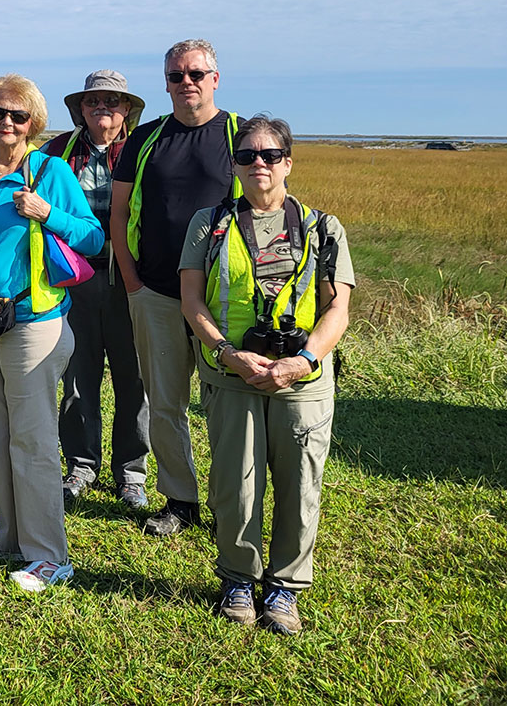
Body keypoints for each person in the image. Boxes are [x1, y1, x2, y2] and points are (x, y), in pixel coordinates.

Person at [180, 116, 354, 634]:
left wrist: (303, 361)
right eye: (248, 155)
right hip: (232, 372)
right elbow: (192, 300)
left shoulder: (325, 228)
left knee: (300, 483)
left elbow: (337, 309)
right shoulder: (207, 224)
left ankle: (284, 587)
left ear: (288, 162)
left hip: (302, 378)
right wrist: (227, 352)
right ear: (234, 164)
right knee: (235, 482)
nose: (260, 163)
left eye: (271, 155)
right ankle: (237, 577)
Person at [0, 74, 103, 591]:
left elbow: (94, 238)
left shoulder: (48, 171)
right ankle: (6, 537)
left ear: (34, 123)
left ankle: (49, 554)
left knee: (32, 437)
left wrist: (48, 213)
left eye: (18, 115)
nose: (6, 122)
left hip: (34, 323)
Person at [111, 39, 240, 537]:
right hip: (157, 294)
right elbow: (119, 214)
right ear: (165, 82)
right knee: (165, 403)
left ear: (215, 77)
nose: (186, 83)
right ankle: (180, 500)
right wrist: (132, 282)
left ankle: (229, 504)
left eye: (195, 73)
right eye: (175, 76)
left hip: (226, 300)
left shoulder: (240, 135)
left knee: (226, 405)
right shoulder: (145, 140)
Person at [44, 70, 150, 511]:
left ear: (127, 109)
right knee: (78, 377)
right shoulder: (56, 152)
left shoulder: (144, 151)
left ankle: (132, 473)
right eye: (93, 101)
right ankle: (81, 466)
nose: (103, 108)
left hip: (132, 280)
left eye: (113, 101)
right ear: (80, 109)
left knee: (134, 378)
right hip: (76, 279)